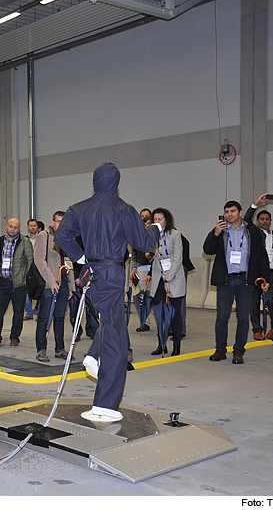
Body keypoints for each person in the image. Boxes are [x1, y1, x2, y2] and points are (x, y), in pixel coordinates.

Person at [54, 162, 161, 422]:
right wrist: (155, 228)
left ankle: (92, 354)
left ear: (95, 181)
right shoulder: (125, 210)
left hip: (90, 274)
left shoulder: (80, 208)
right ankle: (105, 405)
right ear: (116, 182)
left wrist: (81, 260)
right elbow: (144, 243)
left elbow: (62, 236)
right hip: (113, 274)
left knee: (113, 325)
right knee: (117, 340)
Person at [203, 200, 271, 364]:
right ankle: (220, 349)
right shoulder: (221, 231)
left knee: (242, 317)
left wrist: (266, 279)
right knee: (222, 318)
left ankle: (239, 351)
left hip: (245, 281)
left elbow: (262, 257)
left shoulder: (251, 232)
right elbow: (208, 250)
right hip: (226, 281)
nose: (229, 214)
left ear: (240, 213)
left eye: (232, 211)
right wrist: (215, 233)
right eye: (226, 211)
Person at [34, 212, 76, 361]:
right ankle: (41, 349)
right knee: (45, 317)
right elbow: (39, 261)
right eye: (59, 221)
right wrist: (52, 281)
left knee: (60, 317)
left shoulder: (67, 237)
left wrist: (71, 285)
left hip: (63, 282)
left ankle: (60, 349)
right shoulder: (44, 236)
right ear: (53, 222)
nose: (61, 224)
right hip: (49, 283)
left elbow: (68, 262)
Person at [145, 208, 186, 357]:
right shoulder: (152, 235)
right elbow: (147, 252)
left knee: (175, 314)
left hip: (174, 277)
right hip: (158, 278)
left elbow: (177, 259)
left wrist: (168, 279)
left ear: (166, 220)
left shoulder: (175, 235)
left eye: (160, 219)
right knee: (160, 314)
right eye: (155, 219)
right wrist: (150, 255)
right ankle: (161, 345)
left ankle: (176, 346)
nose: (157, 222)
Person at [245, 193, 273, 340]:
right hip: (256, 272)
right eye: (262, 219)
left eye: (267, 219)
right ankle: (257, 329)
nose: (264, 221)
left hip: (272, 272)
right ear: (258, 221)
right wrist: (255, 203)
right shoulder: (255, 232)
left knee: (272, 301)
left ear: (270, 221)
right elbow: (245, 220)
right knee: (254, 301)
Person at [0, 218, 33, 348]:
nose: (13, 229)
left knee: (18, 312)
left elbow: (29, 261)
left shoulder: (25, 242)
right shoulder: (0, 241)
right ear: (7, 227)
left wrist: (23, 277)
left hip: (18, 284)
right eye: (11, 226)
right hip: (1, 283)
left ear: (19, 229)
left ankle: (15, 337)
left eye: (16, 227)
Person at [130, 208, 154, 332]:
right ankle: (145, 322)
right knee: (143, 297)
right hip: (141, 269)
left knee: (153, 297)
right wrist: (133, 268)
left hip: (153, 269)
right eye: (142, 217)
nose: (144, 221)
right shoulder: (136, 235)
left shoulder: (154, 235)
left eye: (147, 218)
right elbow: (134, 253)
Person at [24, 219, 44, 322]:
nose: (33, 227)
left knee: (40, 290)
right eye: (31, 226)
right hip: (27, 268)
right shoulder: (24, 240)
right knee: (26, 291)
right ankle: (29, 313)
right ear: (28, 227)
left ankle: (40, 314)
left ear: (37, 227)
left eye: (34, 225)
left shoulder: (42, 239)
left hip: (39, 268)